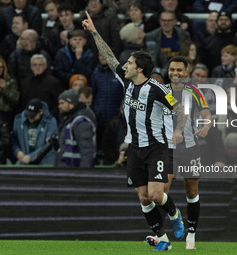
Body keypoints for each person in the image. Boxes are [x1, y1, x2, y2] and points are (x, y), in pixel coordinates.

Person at [83, 11, 187, 251]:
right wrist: (94, 32)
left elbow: (179, 110)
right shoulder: (127, 81)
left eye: (129, 63)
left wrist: (179, 130)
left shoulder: (158, 90)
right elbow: (108, 57)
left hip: (156, 147)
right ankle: (162, 239)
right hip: (135, 148)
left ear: (140, 69)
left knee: (155, 195)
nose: (125, 65)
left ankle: (174, 214)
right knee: (142, 198)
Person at [148, 56, 212, 250]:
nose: (175, 73)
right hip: (166, 150)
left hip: (190, 148)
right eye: (172, 70)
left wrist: (207, 125)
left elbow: (206, 114)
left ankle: (191, 234)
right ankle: (162, 235)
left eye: (179, 70)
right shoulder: (161, 91)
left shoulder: (195, 92)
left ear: (187, 72)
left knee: (191, 191)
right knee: (161, 192)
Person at [55, 89, 97, 167]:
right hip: (67, 170)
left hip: (75, 171)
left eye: (62, 103)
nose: (59, 106)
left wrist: (83, 174)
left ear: (71, 104)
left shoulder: (81, 123)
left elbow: (87, 151)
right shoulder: (68, 120)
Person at [12, 99, 58, 165]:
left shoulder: (50, 121)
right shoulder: (18, 119)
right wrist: (17, 151)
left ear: (40, 112)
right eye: (28, 115)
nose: (30, 118)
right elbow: (13, 139)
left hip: (45, 162)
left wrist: (31, 157)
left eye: (33, 116)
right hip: (25, 162)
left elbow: (49, 145)